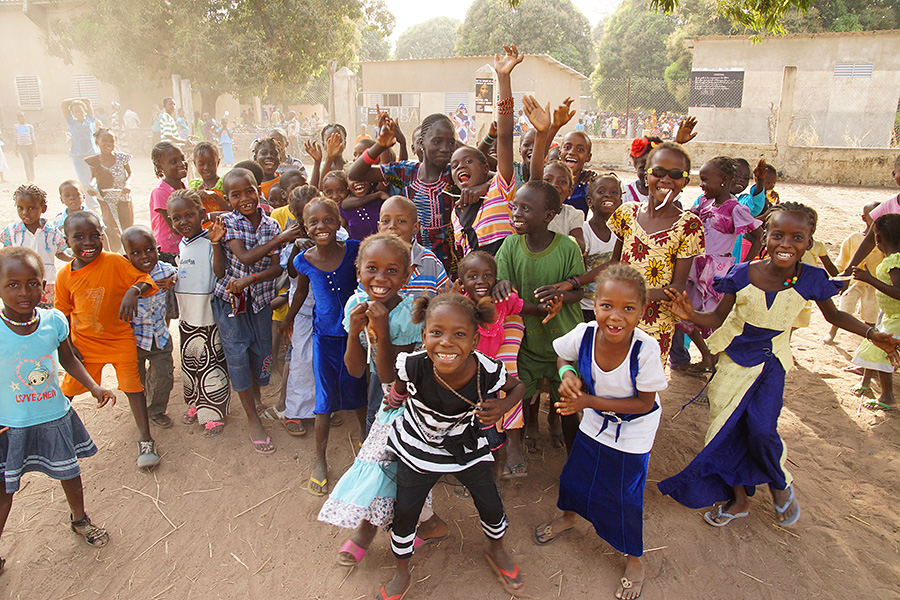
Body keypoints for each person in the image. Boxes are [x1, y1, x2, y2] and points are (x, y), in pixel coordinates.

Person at [658, 202, 900, 528]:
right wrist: (690, 316)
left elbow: (835, 315)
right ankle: (739, 498)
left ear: (809, 242)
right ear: (766, 238)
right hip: (733, 363)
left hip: (772, 363)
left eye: (797, 237)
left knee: (761, 430)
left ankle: (779, 483)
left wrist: (873, 333)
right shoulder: (742, 274)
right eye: (778, 235)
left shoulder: (811, 278)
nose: (786, 244)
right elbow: (716, 317)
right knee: (723, 430)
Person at [380, 293, 526, 599]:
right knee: (406, 511)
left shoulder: (488, 370)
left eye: (459, 334)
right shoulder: (413, 365)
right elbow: (398, 392)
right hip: (418, 446)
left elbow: (518, 387)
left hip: (465, 445)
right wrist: (391, 403)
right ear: (423, 335)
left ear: (474, 341)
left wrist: (503, 408)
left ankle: (496, 548)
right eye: (437, 332)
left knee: (490, 502)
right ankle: (402, 571)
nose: (447, 342)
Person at [535, 265, 667, 600]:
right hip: (594, 420)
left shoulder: (645, 350)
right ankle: (568, 516)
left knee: (624, 496)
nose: (616, 317)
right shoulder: (585, 333)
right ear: (594, 305)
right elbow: (562, 356)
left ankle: (633, 558)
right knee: (576, 476)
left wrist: (588, 400)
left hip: (633, 431)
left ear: (642, 311)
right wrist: (566, 375)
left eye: (628, 309)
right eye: (607, 305)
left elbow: (643, 403)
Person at [320, 234, 448, 566]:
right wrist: (354, 331)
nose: (380, 278)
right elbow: (354, 369)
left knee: (387, 461)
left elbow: (395, 375)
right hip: (384, 396)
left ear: (407, 277)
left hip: (413, 399)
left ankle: (365, 529)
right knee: (393, 462)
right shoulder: (354, 304)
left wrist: (381, 327)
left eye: (392, 271)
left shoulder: (411, 313)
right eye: (372, 269)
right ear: (358, 270)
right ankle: (429, 522)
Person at [0, 247, 117, 572]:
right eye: (12, 284)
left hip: (53, 416)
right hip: (10, 424)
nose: (24, 292)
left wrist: (94, 386)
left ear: (44, 284)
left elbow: (68, 359)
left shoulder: (53, 321)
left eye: (32, 283)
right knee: (4, 490)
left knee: (69, 472)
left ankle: (79, 519)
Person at [555, 142, 705, 362]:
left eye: (675, 174)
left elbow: (677, 288)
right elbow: (615, 265)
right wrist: (575, 282)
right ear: (646, 176)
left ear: (684, 182)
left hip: (655, 324)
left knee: (642, 385)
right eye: (658, 172)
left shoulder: (689, 225)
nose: (665, 179)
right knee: (608, 377)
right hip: (617, 319)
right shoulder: (627, 213)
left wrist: (630, 298)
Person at [54, 211, 160, 468]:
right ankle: (54, 436)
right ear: (66, 241)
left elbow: (144, 279)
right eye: (79, 237)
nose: (88, 243)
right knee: (67, 392)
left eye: (94, 236)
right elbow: (62, 316)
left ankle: (146, 439)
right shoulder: (64, 277)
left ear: (102, 236)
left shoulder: (113, 262)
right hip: (85, 345)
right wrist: (68, 348)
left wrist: (133, 291)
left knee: (133, 388)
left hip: (120, 338)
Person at [280, 198, 366, 494]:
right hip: (325, 338)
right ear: (305, 227)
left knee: (359, 389)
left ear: (339, 222)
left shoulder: (354, 249)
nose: (321, 227)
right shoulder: (303, 260)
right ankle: (320, 459)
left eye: (328, 220)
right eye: (313, 222)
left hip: (356, 335)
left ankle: (365, 440)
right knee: (325, 400)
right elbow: (301, 292)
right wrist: (287, 320)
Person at [211, 168, 301, 452]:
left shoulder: (271, 225)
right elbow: (246, 257)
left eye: (249, 191)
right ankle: (253, 418)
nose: (244, 198)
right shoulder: (228, 223)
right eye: (235, 195)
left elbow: (275, 269)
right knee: (238, 355)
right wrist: (280, 240)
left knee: (260, 353)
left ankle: (257, 399)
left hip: (260, 301)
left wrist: (251, 280)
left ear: (259, 190)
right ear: (227, 199)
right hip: (231, 303)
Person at [494, 180, 583, 453]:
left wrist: (560, 297)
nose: (516, 213)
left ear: (548, 216)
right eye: (515, 206)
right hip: (527, 344)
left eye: (526, 208)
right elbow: (501, 284)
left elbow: (579, 292)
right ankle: (518, 444)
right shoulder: (509, 246)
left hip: (564, 342)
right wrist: (500, 285)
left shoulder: (567, 247)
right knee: (524, 396)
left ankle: (574, 457)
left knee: (567, 404)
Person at [679, 157, 762, 374]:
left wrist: (744, 265)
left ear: (723, 180)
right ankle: (708, 357)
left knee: (713, 320)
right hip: (697, 267)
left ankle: (715, 362)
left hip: (718, 271)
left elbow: (757, 235)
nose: (702, 184)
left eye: (706, 180)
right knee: (687, 315)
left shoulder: (735, 208)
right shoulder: (704, 203)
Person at [348, 112, 457, 274]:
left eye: (450, 143)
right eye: (436, 141)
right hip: (407, 263)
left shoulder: (454, 175)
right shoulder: (405, 172)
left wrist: (476, 189)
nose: (444, 148)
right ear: (421, 143)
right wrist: (380, 146)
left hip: (448, 266)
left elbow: (495, 178)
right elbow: (355, 174)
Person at [456, 251, 528, 476]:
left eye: (488, 275)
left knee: (486, 419)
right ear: (462, 282)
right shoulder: (460, 306)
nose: (481, 281)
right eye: (473, 276)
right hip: (467, 372)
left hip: (490, 374)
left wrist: (548, 308)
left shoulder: (502, 301)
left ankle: (494, 459)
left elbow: (523, 308)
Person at [168, 190, 231, 434]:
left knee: (210, 366)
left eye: (189, 215)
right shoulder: (182, 245)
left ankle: (214, 412)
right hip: (187, 317)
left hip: (206, 318)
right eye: (177, 218)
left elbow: (219, 271)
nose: (183, 222)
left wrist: (215, 243)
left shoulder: (208, 241)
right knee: (191, 364)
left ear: (201, 214)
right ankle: (196, 402)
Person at [450, 46, 521, 258]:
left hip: (508, 287)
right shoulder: (456, 212)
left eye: (467, 161)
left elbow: (506, 136)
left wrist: (503, 78)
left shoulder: (500, 191)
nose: (460, 166)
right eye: (454, 166)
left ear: (485, 168)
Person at [121, 226, 177, 430]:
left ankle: (156, 410)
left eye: (149, 250)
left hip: (160, 336)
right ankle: (141, 407)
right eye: (135, 253)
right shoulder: (124, 276)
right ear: (126, 256)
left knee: (164, 376)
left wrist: (172, 282)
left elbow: (177, 274)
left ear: (158, 248)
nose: (144, 257)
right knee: (137, 379)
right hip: (133, 340)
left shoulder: (164, 269)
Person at [848, 213, 900, 410]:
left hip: (896, 316)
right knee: (874, 343)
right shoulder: (893, 258)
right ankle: (865, 383)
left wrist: (870, 279)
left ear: (878, 239)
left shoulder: (894, 261)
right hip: (889, 314)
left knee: (881, 350)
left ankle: (887, 397)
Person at [1, 185, 72, 309]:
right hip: (19, 283)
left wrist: (73, 259)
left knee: (46, 313)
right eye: (20, 208)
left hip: (47, 282)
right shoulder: (11, 231)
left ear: (43, 208)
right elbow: (6, 256)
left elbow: (59, 253)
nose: (25, 212)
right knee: (21, 310)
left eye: (31, 208)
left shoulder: (53, 233)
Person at [825, 201, 882, 345]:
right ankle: (832, 333)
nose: (877, 218)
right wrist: (840, 276)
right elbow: (843, 260)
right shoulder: (853, 238)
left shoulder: (883, 241)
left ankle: (869, 341)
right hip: (852, 282)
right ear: (864, 218)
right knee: (844, 308)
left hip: (873, 284)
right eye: (873, 215)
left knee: (871, 313)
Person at [579, 174, 623, 322]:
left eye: (614, 192)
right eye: (601, 191)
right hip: (586, 307)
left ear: (621, 202)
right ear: (589, 201)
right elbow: (579, 271)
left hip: (613, 306)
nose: (608, 195)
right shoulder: (584, 232)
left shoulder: (622, 233)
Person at [85, 128, 133, 252]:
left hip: (123, 196)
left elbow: (130, 173)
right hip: (105, 198)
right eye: (104, 140)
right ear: (97, 142)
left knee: (127, 226)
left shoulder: (122, 158)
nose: (108, 144)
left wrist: (127, 184)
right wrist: (91, 187)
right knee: (110, 226)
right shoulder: (94, 161)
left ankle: (129, 251)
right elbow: (94, 177)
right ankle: (117, 253)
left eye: (111, 141)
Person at [149, 142, 187, 263]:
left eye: (182, 159)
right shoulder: (160, 192)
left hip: (183, 246)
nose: (181, 164)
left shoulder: (183, 187)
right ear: (160, 167)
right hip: (168, 252)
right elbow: (175, 226)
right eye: (174, 162)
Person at [61, 98, 99, 211]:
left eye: (80, 111)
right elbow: (63, 104)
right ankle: (92, 206)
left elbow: (88, 101)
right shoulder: (71, 122)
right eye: (75, 112)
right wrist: (76, 100)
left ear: (85, 111)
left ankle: (98, 202)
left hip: (92, 155)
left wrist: (82, 100)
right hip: (78, 156)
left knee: (95, 179)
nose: (78, 114)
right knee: (84, 181)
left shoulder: (90, 120)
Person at [187, 142, 230, 216]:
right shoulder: (195, 186)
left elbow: (231, 211)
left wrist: (215, 196)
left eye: (211, 163)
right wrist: (196, 197)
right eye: (201, 164)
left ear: (218, 162)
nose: (206, 167)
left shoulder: (225, 184)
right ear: (195, 164)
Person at [13, 113, 36, 183]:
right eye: (19, 117)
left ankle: (32, 177)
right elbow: (16, 138)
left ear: (25, 117)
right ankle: (29, 178)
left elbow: (33, 138)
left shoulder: (29, 127)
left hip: (30, 146)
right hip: (21, 147)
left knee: (31, 162)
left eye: (22, 117)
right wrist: (16, 149)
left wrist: (35, 149)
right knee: (26, 162)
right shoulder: (16, 126)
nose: (21, 119)